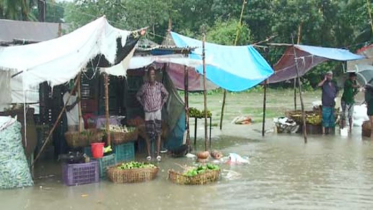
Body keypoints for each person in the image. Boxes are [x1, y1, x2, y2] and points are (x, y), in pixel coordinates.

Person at [136, 66, 169, 161]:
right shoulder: (144, 86)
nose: (152, 76)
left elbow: (166, 94)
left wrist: (161, 104)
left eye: (153, 74)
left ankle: (158, 154)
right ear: (147, 76)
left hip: (157, 111)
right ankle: (149, 154)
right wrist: (143, 104)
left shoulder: (159, 86)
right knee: (148, 133)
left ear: (155, 76)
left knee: (158, 132)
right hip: (148, 112)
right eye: (150, 74)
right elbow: (138, 96)